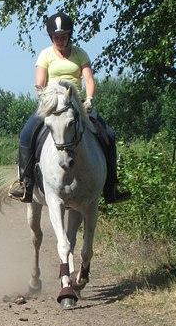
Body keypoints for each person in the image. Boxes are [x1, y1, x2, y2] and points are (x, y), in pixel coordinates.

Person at [8, 12, 130, 203]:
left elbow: (89, 79)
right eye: (57, 37)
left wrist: (88, 98)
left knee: (109, 135)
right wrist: (46, 97)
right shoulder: (45, 55)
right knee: (26, 134)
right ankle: (25, 183)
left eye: (64, 36)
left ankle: (111, 187)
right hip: (52, 105)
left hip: (78, 105)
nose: (61, 40)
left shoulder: (80, 54)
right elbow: (40, 82)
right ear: (51, 37)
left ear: (70, 35)